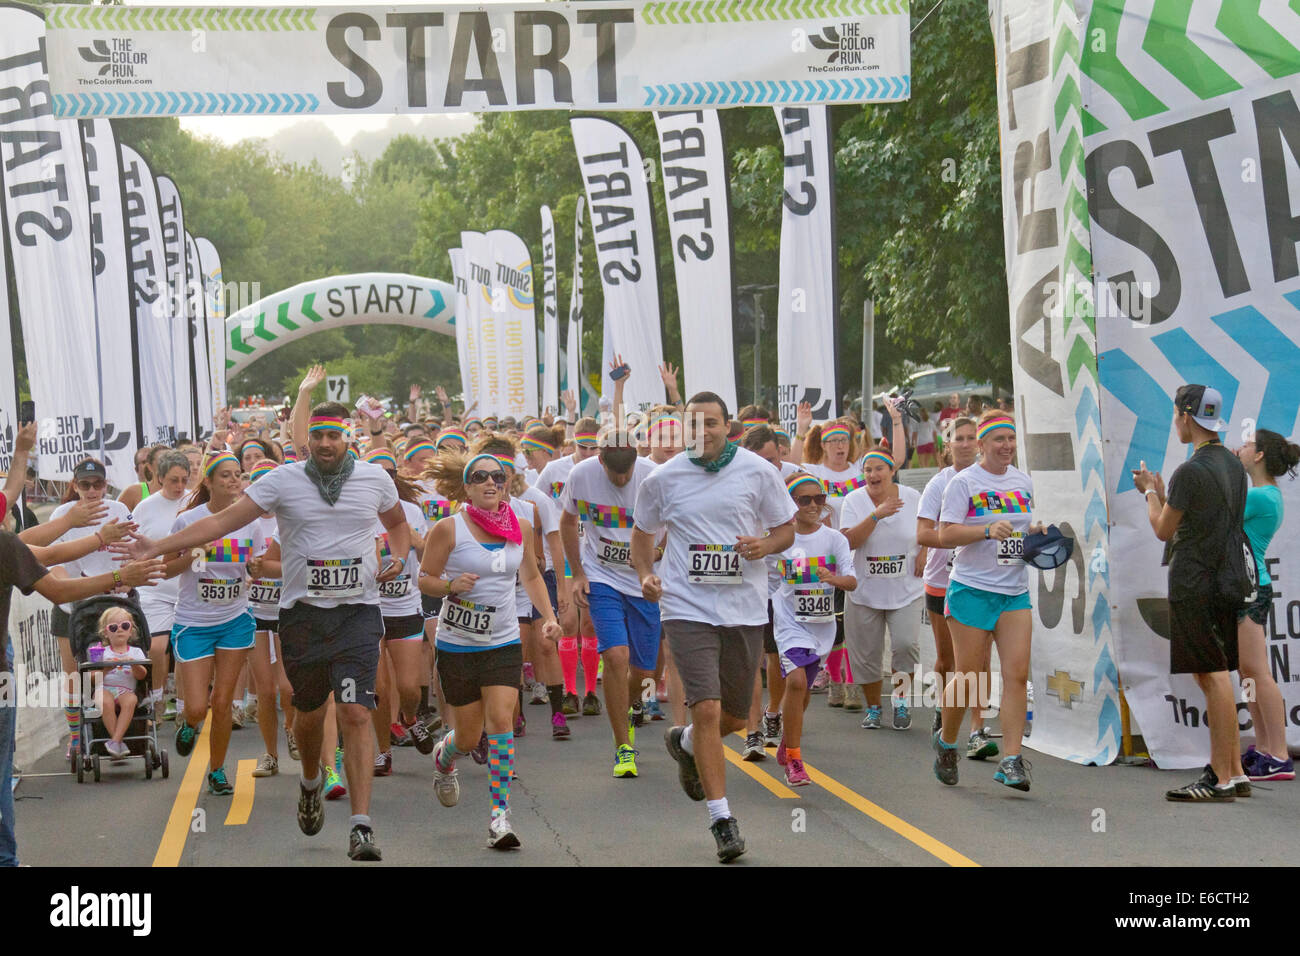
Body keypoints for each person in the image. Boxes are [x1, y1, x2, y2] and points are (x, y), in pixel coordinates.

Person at [117, 398, 411, 860]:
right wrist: (157, 546)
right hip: (303, 616)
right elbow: (220, 522)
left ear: (348, 436)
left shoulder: (375, 479)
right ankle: (311, 781)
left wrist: (396, 554)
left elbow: (396, 524)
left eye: (334, 435)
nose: (326, 443)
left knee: (354, 712)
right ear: (307, 438)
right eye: (318, 435)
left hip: (358, 611)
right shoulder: (283, 481)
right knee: (309, 714)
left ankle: (360, 826)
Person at [631, 391, 795, 862]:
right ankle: (722, 819)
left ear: (729, 427)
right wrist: (646, 574)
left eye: (712, 424)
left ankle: (683, 743)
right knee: (705, 709)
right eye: (694, 424)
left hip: (743, 608)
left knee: (737, 718)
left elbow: (786, 529)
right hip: (686, 606)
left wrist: (765, 546)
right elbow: (642, 539)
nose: (702, 432)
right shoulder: (662, 479)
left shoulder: (757, 471)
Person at [421, 450, 561, 849]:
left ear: (505, 485)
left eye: (496, 478)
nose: (489, 483)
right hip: (457, 643)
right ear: (467, 486)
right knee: (467, 736)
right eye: (480, 477)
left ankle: (499, 817)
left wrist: (548, 615)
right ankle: (444, 759)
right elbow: (425, 578)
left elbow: (531, 572)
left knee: (500, 721)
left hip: (502, 640)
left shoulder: (521, 523)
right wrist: (450, 587)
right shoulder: (448, 529)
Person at [0, 531, 162, 867]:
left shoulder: (8, 543)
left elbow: (52, 553)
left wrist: (99, 536)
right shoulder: (4, 543)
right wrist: (119, 576)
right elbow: (56, 583)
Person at [1132, 385, 1253, 801]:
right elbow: (1197, 519)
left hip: (1195, 580)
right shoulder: (1234, 466)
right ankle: (1234, 771)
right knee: (1217, 673)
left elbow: (1164, 529)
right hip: (1227, 577)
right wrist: (1165, 498)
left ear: (1186, 416)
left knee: (1212, 675)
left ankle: (1220, 776)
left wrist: (1150, 492)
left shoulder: (1190, 470)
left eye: (1175, 416)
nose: (1174, 423)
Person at [934, 410, 1043, 792]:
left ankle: (1011, 760)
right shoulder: (963, 483)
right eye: (999, 440)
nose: (1007, 446)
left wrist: (1037, 532)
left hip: (1014, 591)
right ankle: (947, 743)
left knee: (1015, 674)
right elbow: (945, 535)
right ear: (981, 444)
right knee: (968, 678)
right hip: (971, 588)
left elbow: (1021, 531)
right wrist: (984, 530)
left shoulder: (1023, 481)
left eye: (1011, 440)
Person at [162, 452, 266, 796]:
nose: (234, 480)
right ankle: (190, 724)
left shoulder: (251, 523)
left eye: (238, 474)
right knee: (195, 707)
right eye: (225, 475)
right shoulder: (187, 521)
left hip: (235, 619)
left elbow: (255, 566)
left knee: (222, 702)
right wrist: (195, 551)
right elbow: (166, 569)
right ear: (207, 481)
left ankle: (218, 771)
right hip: (193, 621)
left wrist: (255, 569)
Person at [560, 428, 659, 777]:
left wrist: (654, 556)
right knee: (616, 657)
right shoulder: (581, 474)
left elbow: (677, 526)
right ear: (599, 460)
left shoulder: (652, 476)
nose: (622, 478)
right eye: (614, 471)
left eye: (627, 470)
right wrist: (578, 574)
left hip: (645, 579)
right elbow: (568, 522)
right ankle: (623, 748)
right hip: (601, 576)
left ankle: (631, 705)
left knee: (645, 672)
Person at [47, 458, 138, 758]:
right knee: (75, 672)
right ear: (75, 486)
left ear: (105, 485)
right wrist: (70, 591)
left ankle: (126, 728)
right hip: (74, 605)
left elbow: (130, 552)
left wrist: (125, 580)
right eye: (84, 485)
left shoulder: (118, 510)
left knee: (111, 668)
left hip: (112, 604)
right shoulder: (62, 515)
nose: (91, 491)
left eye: (97, 484)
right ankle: (75, 736)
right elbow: (54, 562)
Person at [916, 418, 996, 756]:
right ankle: (943, 709)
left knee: (978, 661)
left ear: (979, 444)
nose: (964, 444)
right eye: (957, 439)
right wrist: (958, 539)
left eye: (970, 438)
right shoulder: (939, 484)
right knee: (948, 662)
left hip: (981, 580)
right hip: (942, 581)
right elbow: (922, 534)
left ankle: (978, 729)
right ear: (947, 446)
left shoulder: (991, 481)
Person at [770, 473, 856, 784]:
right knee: (795, 683)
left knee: (802, 691)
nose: (813, 505)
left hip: (822, 626)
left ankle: (787, 740)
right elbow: (764, 580)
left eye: (818, 499)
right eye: (804, 500)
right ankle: (794, 759)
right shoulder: (780, 541)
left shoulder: (835, 540)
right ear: (790, 504)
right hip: (789, 624)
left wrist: (833, 579)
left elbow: (852, 581)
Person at [840, 445, 925, 731]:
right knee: (865, 654)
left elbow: (927, 529)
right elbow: (849, 541)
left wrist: (924, 551)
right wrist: (877, 515)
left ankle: (900, 701)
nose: (873, 475)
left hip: (906, 588)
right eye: (867, 470)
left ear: (892, 471)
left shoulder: (913, 497)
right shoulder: (854, 500)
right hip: (865, 590)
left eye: (879, 469)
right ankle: (874, 708)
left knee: (905, 645)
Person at [364, 447, 432, 775]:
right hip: (369, 608)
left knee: (408, 686)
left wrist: (416, 540)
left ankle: (409, 718)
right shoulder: (358, 511)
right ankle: (383, 750)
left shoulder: (411, 511)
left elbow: (432, 553)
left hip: (405, 605)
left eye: (390, 474)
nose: (384, 479)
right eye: (377, 473)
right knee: (378, 687)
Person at [1235, 429, 1298, 781]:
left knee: (1257, 672)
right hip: (1244, 587)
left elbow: (1219, 510)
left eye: (1245, 445)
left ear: (1258, 455)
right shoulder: (1261, 494)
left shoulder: (1262, 497)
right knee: (1248, 674)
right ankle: (1263, 747)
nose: (1240, 448)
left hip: (1252, 588)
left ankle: (1279, 753)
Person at [130, 450, 192, 719]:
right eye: (173, 480)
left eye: (184, 480)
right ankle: (156, 698)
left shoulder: (194, 502)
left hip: (187, 587)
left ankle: (182, 706)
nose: (179, 487)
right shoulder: (145, 507)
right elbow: (133, 545)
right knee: (156, 647)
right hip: (154, 588)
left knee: (184, 648)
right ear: (159, 477)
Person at [94, 607, 149, 759]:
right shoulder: (101, 652)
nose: (119, 630)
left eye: (124, 626)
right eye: (113, 627)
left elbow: (142, 675)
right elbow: (91, 677)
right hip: (105, 688)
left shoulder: (136, 652)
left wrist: (135, 664)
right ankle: (117, 741)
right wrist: (105, 668)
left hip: (126, 690)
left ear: (131, 630)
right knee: (105, 702)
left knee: (131, 700)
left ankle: (115, 741)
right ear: (106, 632)